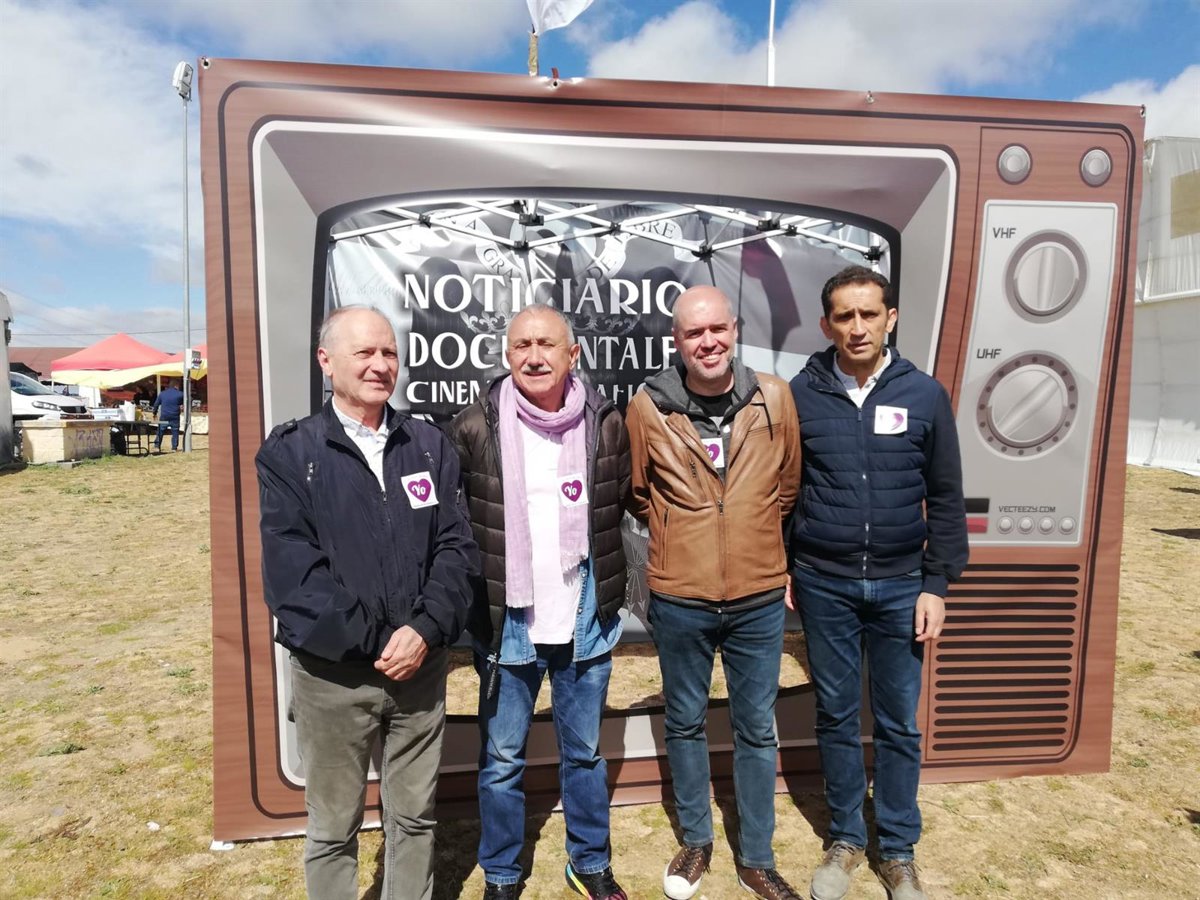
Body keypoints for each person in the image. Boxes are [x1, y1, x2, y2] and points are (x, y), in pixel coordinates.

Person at [255, 306, 478, 900]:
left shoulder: (427, 444)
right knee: (333, 828)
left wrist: (424, 630)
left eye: (389, 353)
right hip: (334, 678)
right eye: (365, 353)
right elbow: (294, 578)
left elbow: (456, 548)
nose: (381, 365)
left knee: (415, 819)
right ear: (326, 361)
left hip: (420, 671)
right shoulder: (291, 454)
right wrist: (383, 640)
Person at [788, 266, 968, 900]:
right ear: (826, 324)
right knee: (836, 715)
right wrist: (787, 566)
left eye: (869, 314)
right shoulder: (800, 395)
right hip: (825, 583)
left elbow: (947, 496)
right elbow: (785, 490)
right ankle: (845, 838)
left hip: (901, 586)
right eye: (845, 316)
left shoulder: (924, 394)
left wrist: (937, 583)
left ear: (890, 318)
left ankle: (897, 850)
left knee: (897, 722)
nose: (857, 327)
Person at [448, 304, 631, 900]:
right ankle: (502, 874)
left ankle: (590, 863)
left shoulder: (605, 422)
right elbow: (456, 524)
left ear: (572, 354)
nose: (533, 356)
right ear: (506, 355)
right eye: (521, 345)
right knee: (502, 761)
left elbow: (622, 510)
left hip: (584, 620)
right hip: (508, 624)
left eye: (546, 344)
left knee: (585, 755)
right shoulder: (474, 426)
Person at [626, 285, 802, 900]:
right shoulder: (648, 406)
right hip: (682, 595)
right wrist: (690, 537)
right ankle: (697, 839)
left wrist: (751, 536)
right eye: (694, 333)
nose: (708, 342)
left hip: (757, 594)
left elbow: (787, 486)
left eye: (717, 329)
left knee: (756, 726)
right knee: (685, 721)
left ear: (734, 330)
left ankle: (757, 857)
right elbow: (640, 493)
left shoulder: (774, 397)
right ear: (676, 341)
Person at [151, 378, 184, 451]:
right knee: (175, 432)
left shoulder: (162, 394)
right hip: (175, 415)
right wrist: (183, 406)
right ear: (176, 385)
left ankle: (157, 446)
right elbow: (189, 399)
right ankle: (174, 447)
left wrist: (154, 413)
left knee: (160, 431)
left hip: (164, 415)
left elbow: (156, 404)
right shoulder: (180, 394)